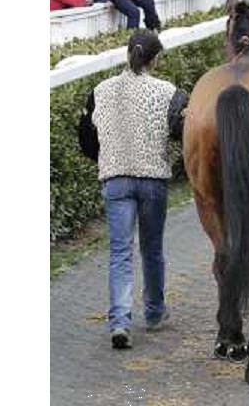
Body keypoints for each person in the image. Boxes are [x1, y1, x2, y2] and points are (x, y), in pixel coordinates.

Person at [78, 30, 188, 350]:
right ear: (154, 59)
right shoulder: (168, 92)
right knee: (152, 249)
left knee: (120, 252)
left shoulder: (100, 90)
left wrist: (106, 156)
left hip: (115, 179)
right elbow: (182, 133)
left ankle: (120, 321)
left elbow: (86, 137)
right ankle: (153, 312)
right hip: (153, 178)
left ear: (128, 54)